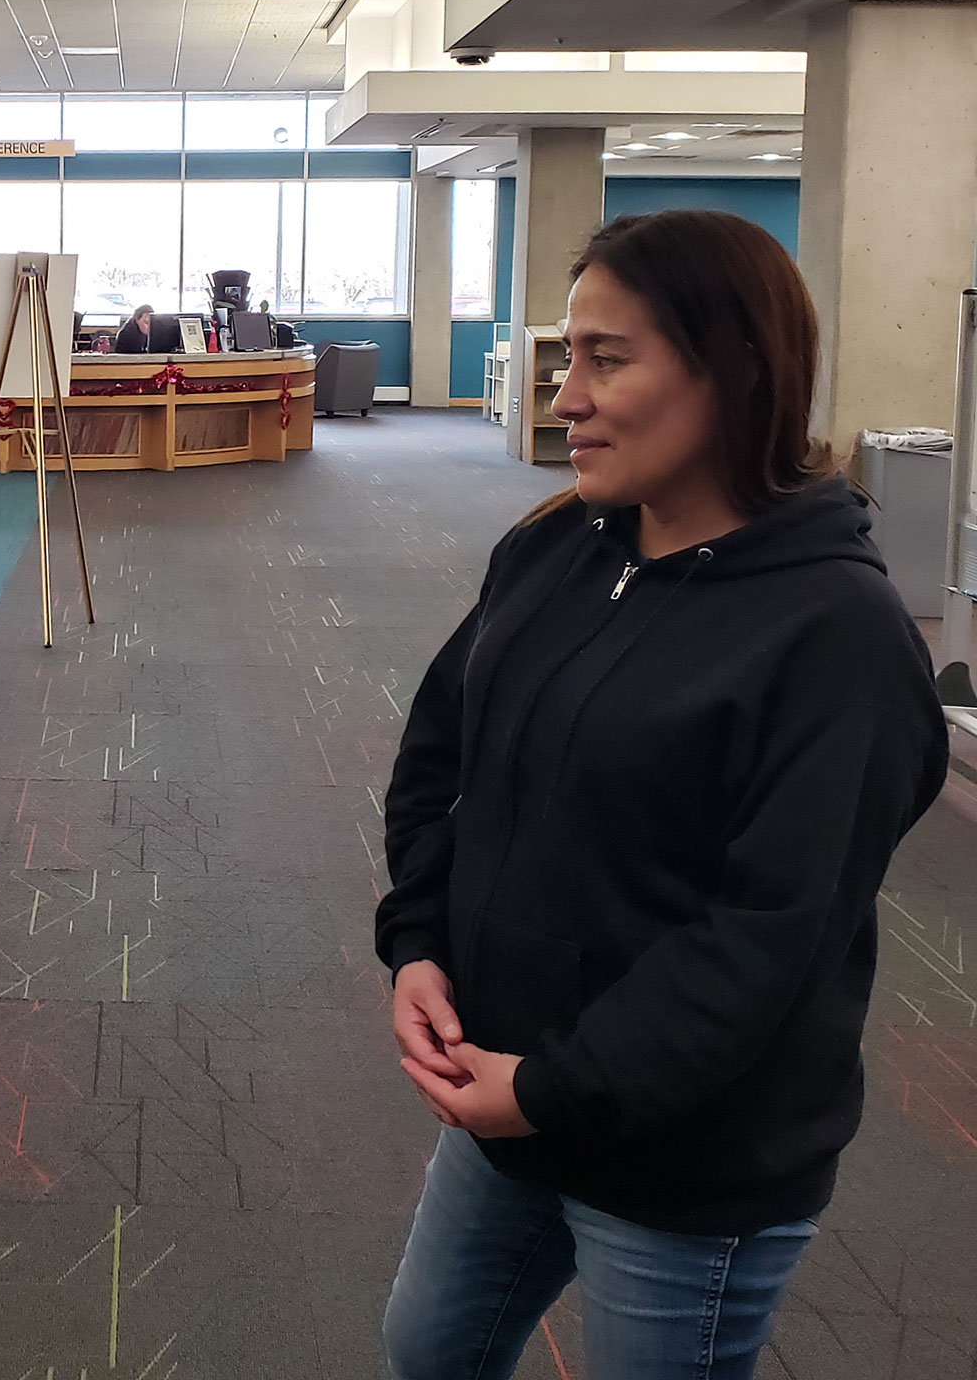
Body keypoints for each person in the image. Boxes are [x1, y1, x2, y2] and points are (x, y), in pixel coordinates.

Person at [375, 210, 948, 1380]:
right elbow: (443, 761)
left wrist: (554, 1090)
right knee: (430, 1353)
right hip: (504, 1101)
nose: (563, 394)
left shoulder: (837, 638)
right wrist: (421, 943)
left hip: (686, 1160)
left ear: (734, 369)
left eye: (607, 358)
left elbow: (766, 939)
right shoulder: (559, 549)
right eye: (567, 356)